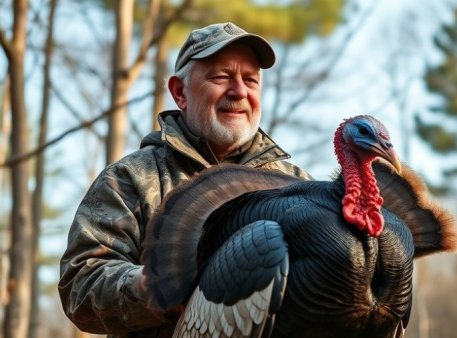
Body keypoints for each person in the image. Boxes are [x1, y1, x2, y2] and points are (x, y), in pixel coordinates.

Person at [58, 22, 312, 338]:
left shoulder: (298, 185)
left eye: (251, 80)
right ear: (180, 92)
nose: (239, 91)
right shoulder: (130, 179)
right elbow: (81, 287)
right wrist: (155, 287)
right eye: (221, 77)